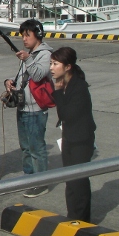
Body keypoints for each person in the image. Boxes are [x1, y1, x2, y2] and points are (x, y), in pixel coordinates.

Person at [4, 19, 53, 198]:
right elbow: (24, 77)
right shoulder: (29, 54)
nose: (24, 39)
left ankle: (41, 183)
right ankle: (29, 177)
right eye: (22, 35)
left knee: (36, 148)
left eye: (27, 35)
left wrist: (28, 59)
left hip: (36, 109)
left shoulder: (45, 54)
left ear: (37, 35)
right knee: (25, 147)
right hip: (23, 107)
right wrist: (10, 82)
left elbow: (38, 75)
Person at [50, 46, 96, 222]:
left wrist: (57, 91)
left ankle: (82, 219)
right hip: (69, 137)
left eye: (55, 64)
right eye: (51, 63)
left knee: (79, 182)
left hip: (81, 140)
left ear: (67, 66)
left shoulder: (79, 87)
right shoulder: (66, 84)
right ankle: (72, 216)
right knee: (70, 180)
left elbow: (66, 114)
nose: (51, 68)